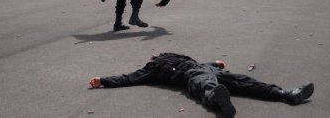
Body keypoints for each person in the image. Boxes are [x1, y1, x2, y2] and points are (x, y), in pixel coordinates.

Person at [89, 52, 314, 117]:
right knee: (203, 84)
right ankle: (218, 101)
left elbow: (198, 62)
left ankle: (286, 94)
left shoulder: (174, 55)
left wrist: (214, 62)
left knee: (245, 81)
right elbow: (127, 79)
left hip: (204, 68)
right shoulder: (150, 70)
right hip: (189, 75)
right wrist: (104, 80)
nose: (153, 55)